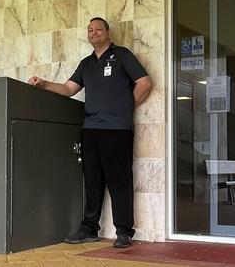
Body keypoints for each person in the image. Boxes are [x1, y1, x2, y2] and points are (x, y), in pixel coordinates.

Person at [28, 17, 152, 248]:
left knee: (119, 181)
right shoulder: (86, 64)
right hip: (91, 129)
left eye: (98, 29)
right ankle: (89, 228)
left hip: (118, 130)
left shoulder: (122, 55)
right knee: (92, 181)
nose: (94, 33)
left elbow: (144, 82)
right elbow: (67, 89)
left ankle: (124, 232)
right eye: (90, 30)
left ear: (107, 32)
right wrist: (44, 83)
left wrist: (125, 108)